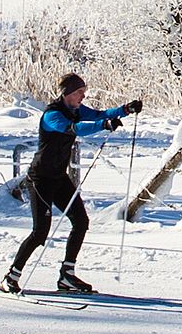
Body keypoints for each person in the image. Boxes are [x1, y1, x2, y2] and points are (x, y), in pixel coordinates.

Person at [8, 72, 143, 295]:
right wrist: (104, 125)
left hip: (59, 178)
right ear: (68, 93)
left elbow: (100, 114)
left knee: (80, 221)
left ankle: (67, 276)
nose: (83, 95)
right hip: (40, 179)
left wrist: (125, 110)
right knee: (40, 232)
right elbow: (75, 128)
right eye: (80, 92)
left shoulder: (76, 109)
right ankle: (12, 276)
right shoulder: (52, 115)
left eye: (83, 91)